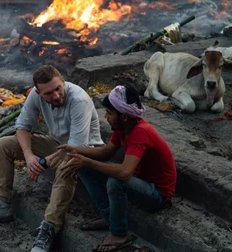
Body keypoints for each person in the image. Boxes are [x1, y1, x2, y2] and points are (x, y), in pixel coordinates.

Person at [0, 65, 104, 252]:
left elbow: (74, 147)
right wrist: (29, 156)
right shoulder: (36, 96)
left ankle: (49, 228)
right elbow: (22, 126)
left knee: (67, 165)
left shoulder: (79, 100)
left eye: (58, 89)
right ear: (38, 93)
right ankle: (2, 205)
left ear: (63, 82)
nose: (56, 96)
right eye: (49, 93)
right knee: (4, 144)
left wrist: (42, 162)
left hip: (83, 152)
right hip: (57, 144)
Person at [58, 84, 177, 252]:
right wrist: (74, 150)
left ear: (124, 116)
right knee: (83, 167)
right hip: (139, 180)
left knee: (116, 181)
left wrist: (86, 161)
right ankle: (110, 218)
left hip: (157, 194)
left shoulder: (140, 132)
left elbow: (124, 172)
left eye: (109, 113)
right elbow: (105, 153)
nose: (106, 116)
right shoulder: (122, 128)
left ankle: (119, 233)